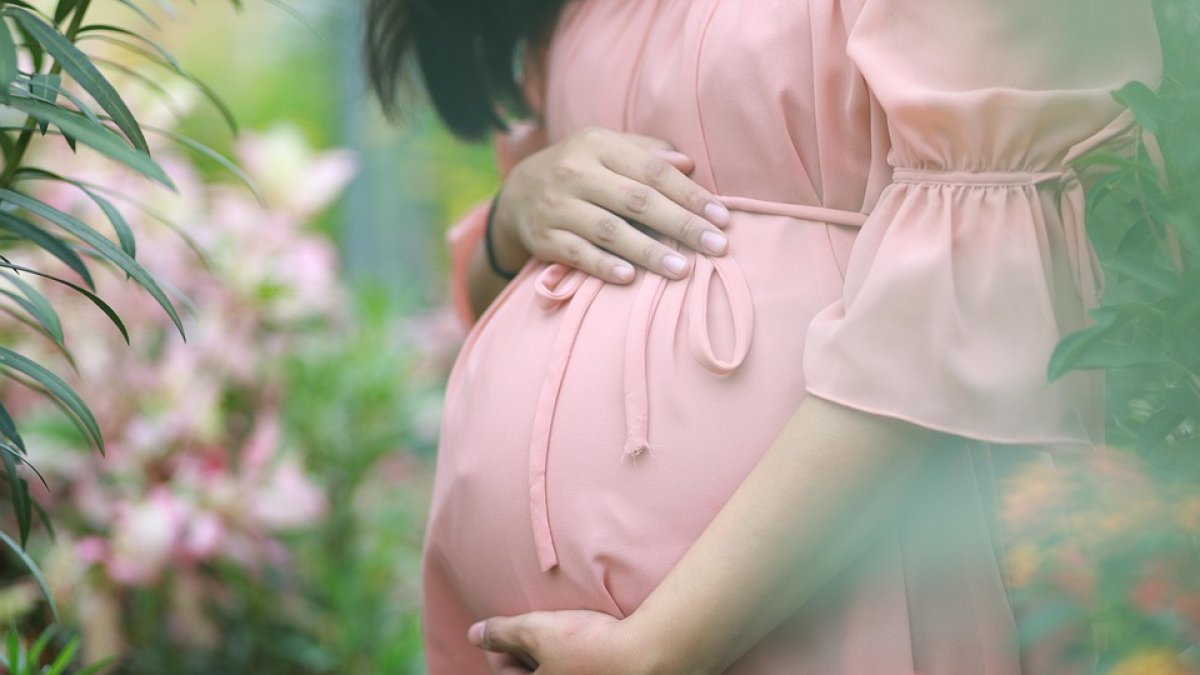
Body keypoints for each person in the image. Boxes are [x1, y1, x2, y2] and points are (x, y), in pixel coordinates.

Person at [364, 1, 1163, 673]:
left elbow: (982, 303)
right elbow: (501, 289)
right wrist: (514, 212)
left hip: (845, 584)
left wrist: (660, 645)